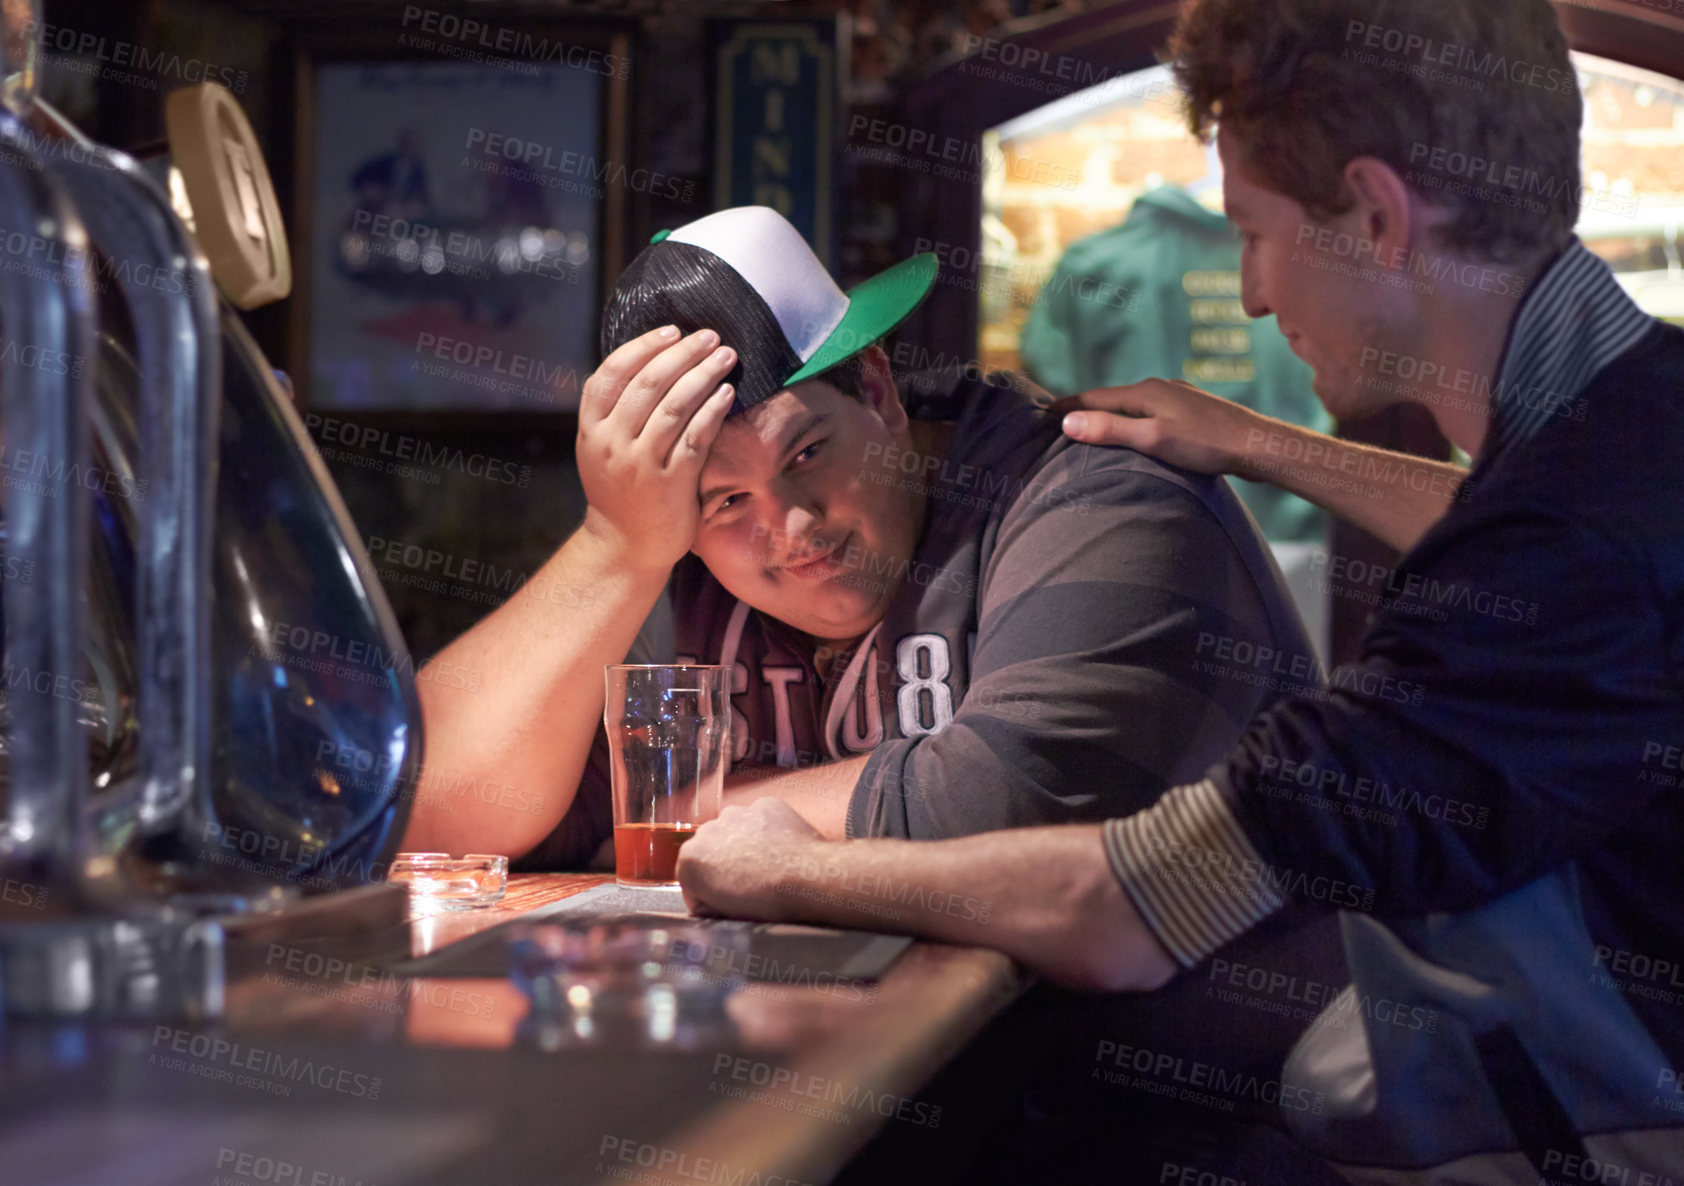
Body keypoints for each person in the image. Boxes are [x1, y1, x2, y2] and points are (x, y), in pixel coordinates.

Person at [677, 0, 1684, 1179]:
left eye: (1253, 233)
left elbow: (1124, 908)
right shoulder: (1629, 440)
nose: (1252, 294)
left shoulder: (1551, 565)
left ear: (1374, 214)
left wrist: (782, 864)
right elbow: (1558, 521)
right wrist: (1270, 444)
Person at [403, 202, 1319, 871]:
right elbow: (428, 815)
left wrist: (667, 818)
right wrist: (616, 546)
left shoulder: (1098, 496)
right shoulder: (669, 563)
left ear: (877, 390)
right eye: (723, 502)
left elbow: (1011, 794)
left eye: (806, 452)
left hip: (1176, 1111)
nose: (789, 527)